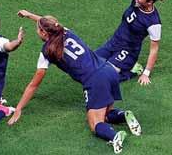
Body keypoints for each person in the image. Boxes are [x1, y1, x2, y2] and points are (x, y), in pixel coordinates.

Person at [8, 10, 141, 154]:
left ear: (44, 33)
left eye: (37, 30)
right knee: (106, 114)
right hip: (109, 70)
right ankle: (123, 115)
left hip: (95, 80)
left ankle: (115, 136)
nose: (37, 32)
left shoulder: (47, 52)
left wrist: (19, 108)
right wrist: (29, 15)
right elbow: (49, 24)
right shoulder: (65, 31)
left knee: (95, 123)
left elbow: (34, 84)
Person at [94, 0, 165, 85]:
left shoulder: (154, 23)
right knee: (91, 64)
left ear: (150, 2)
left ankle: (133, 70)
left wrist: (146, 73)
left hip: (128, 51)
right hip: (114, 42)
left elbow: (154, 49)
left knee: (104, 77)